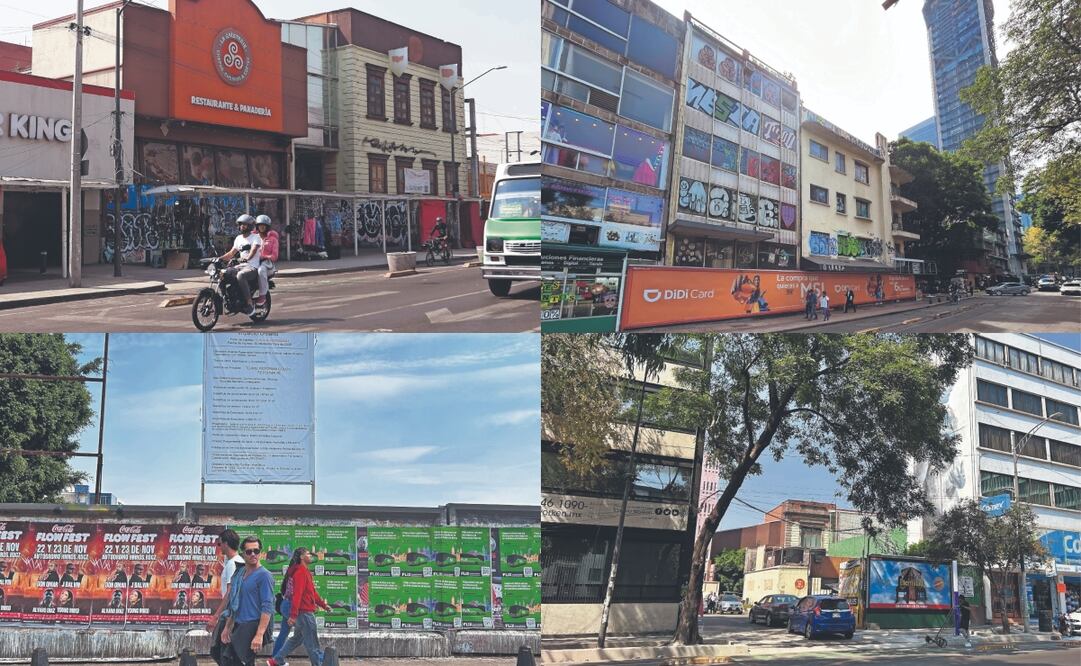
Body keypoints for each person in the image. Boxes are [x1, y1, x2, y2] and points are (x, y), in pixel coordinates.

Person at [268, 547, 331, 666]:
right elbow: (297, 595)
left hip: (302, 611)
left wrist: (323, 605)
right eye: (308, 554)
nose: (311, 556)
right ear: (302, 557)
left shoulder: (304, 571)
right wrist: (293, 615)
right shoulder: (301, 572)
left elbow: (312, 592)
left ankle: (276, 660)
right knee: (312, 642)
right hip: (304, 612)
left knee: (297, 638)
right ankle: (317, 663)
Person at [221, 536, 274, 666]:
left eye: (256, 551)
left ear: (260, 553)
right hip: (239, 625)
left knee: (236, 661)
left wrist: (259, 635)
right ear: (243, 553)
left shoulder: (264, 575)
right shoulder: (241, 574)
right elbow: (234, 603)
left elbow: (267, 607)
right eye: (249, 551)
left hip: (252, 626)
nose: (253, 554)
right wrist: (227, 627)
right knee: (227, 658)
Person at [208, 529, 246, 666]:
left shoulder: (233, 564)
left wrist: (216, 616)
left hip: (230, 615)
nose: (220, 548)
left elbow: (230, 593)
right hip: (232, 614)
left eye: (220, 544)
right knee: (225, 653)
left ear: (225, 543)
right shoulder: (238, 561)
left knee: (222, 653)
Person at [218, 214, 262, 314]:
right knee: (222, 273)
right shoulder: (238, 238)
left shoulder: (256, 237)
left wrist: (247, 258)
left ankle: (250, 304)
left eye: (245, 225)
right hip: (240, 266)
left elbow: (254, 250)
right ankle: (228, 299)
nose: (242, 226)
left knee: (241, 275)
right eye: (241, 224)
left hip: (252, 267)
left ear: (250, 226)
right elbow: (231, 253)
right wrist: (219, 259)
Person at [253, 215, 278, 306]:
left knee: (261, 270)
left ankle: (262, 295)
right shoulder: (253, 237)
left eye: (264, 225)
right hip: (253, 262)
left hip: (267, 265)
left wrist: (264, 256)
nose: (262, 227)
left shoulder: (273, 239)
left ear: (267, 227)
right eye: (260, 225)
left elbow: (274, 256)